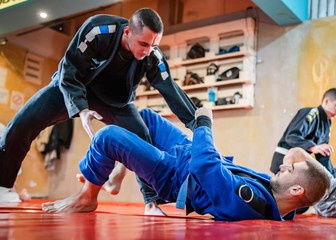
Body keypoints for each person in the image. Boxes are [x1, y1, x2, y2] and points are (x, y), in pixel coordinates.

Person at [0, 8, 197, 213]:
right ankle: (2, 186)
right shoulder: (98, 29)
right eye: (144, 44)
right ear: (127, 32)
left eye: (154, 45)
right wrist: (82, 109)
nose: (148, 51)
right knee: (22, 124)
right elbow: (69, 69)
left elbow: (171, 90)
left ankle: (151, 203)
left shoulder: (152, 55)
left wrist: (197, 124)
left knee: (142, 139)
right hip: (72, 86)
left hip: (114, 101)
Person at [42, 108, 330, 221]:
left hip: (175, 175)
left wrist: (204, 122)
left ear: (295, 191)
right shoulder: (280, 196)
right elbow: (295, 161)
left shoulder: (253, 202)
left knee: (108, 138)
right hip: (187, 157)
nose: (282, 166)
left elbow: (206, 167)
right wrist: (302, 160)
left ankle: (88, 197)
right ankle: (117, 171)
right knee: (145, 118)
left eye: (289, 171)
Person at [270, 88, 336, 182]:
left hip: (301, 163)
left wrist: (333, 177)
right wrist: (313, 147)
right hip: (285, 159)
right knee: (319, 181)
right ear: (326, 101)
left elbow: (322, 154)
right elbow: (291, 137)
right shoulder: (311, 113)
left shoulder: (327, 123)